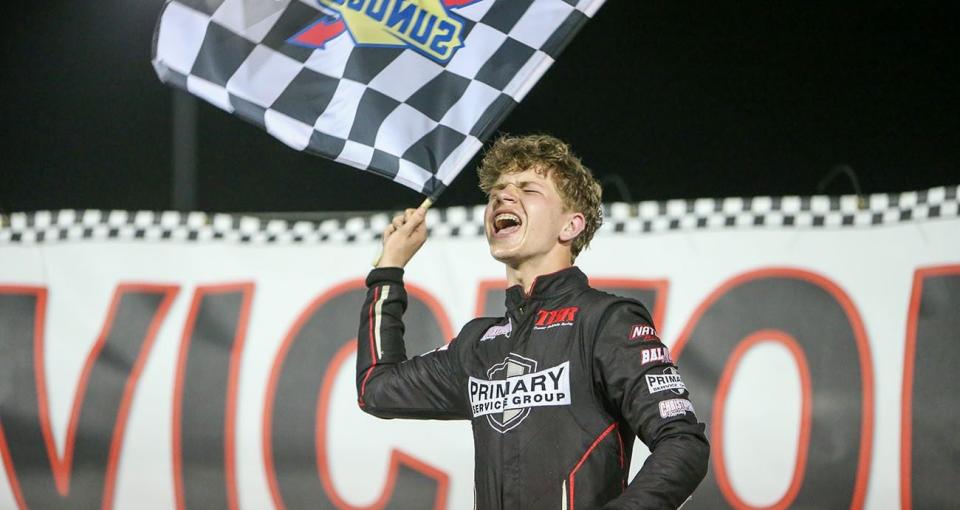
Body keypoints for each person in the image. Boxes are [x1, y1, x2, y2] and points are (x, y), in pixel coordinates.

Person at [356, 134, 709, 509]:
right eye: (498, 189)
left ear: (571, 226)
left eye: (528, 189)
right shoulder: (478, 345)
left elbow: (683, 443)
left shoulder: (605, 320)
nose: (503, 197)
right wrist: (388, 269)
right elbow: (375, 388)